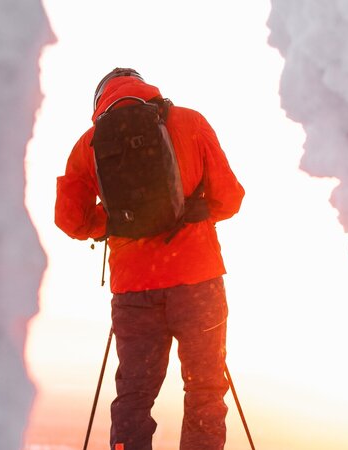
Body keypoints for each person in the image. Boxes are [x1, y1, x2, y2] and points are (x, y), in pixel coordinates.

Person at [54, 68, 245, 450]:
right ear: (146, 90)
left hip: (134, 291)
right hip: (198, 282)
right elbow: (231, 197)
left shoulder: (89, 144)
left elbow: (69, 219)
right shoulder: (190, 122)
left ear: (100, 102)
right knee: (205, 390)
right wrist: (191, 212)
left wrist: (115, 223)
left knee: (135, 397)